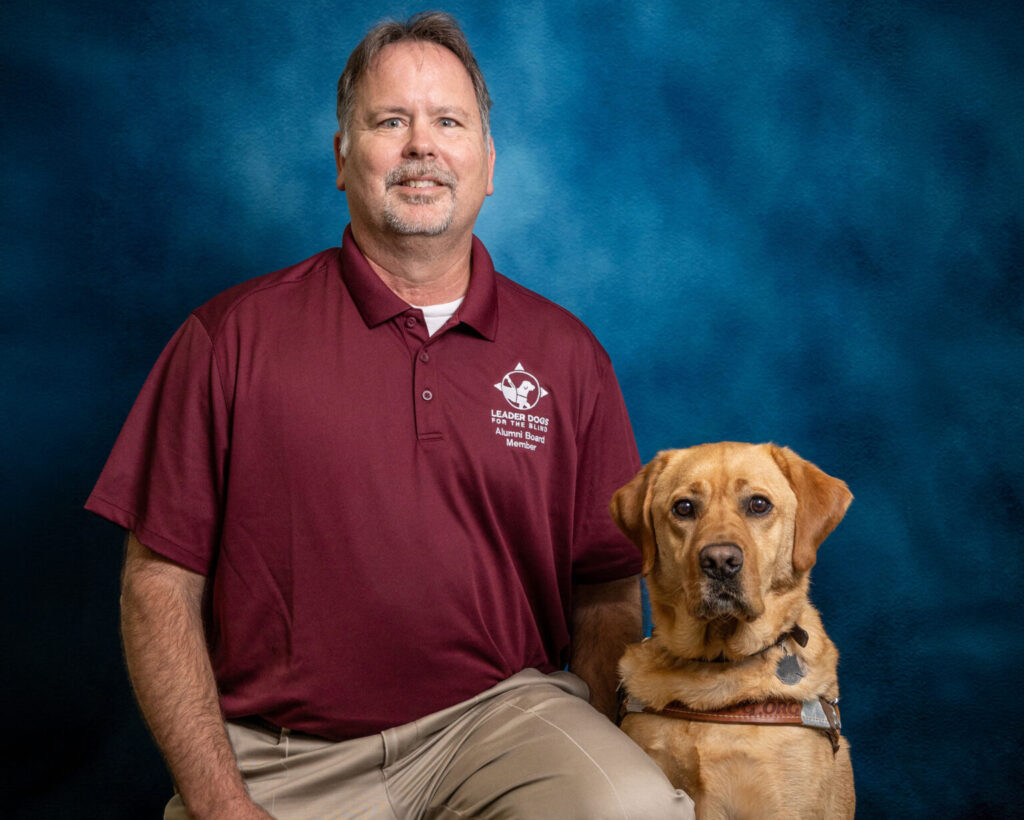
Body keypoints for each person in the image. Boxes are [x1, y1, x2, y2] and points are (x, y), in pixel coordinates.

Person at [87, 11, 695, 820]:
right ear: (343, 158)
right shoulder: (228, 338)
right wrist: (219, 801)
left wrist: (592, 735)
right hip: (284, 755)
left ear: (488, 166)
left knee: (635, 807)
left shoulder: (567, 356)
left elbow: (607, 592)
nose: (421, 145)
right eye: (389, 121)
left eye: (448, 121)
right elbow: (157, 583)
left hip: (500, 723)